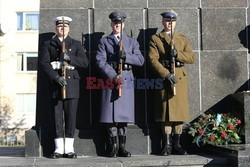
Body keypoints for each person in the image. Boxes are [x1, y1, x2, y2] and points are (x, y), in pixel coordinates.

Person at [95, 11, 144, 157]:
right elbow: (100, 61)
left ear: (124, 25)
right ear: (111, 24)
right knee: (110, 116)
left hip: (127, 79)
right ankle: (113, 146)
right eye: (115, 23)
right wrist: (113, 75)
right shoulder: (104, 41)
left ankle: (122, 147)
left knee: (123, 116)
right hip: (111, 81)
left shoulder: (132, 41)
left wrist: (126, 56)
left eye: (120, 23)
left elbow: (140, 60)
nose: (117, 25)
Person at [39, 16, 88, 159]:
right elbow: (44, 63)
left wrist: (69, 58)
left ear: (69, 28)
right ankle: (59, 149)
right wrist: (56, 77)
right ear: (56, 28)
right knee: (57, 117)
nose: (62, 29)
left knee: (71, 117)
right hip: (56, 84)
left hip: (71, 85)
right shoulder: (48, 44)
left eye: (65, 27)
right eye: (60, 26)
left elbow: (85, 63)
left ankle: (69, 148)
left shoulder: (76, 44)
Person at [147, 10, 195, 156]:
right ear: (162, 22)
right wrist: (166, 74)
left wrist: (178, 54)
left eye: (172, 21)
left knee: (179, 113)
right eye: (167, 20)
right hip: (165, 78)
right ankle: (166, 144)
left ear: (175, 22)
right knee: (166, 114)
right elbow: (152, 59)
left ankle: (177, 144)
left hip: (179, 77)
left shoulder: (182, 38)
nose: (169, 23)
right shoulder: (156, 39)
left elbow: (192, 57)